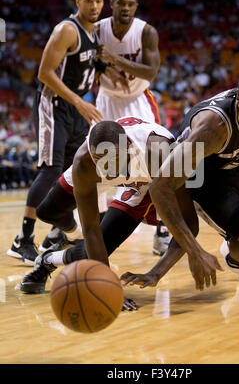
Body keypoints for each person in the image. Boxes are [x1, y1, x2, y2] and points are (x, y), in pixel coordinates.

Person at [120, 67, 239, 291]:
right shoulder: (212, 129)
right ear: (238, 99)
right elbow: (160, 187)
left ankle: (236, 255)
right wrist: (192, 254)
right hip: (203, 168)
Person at [7, 0, 128, 265]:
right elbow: (45, 73)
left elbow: (87, 63)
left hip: (76, 107)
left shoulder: (93, 32)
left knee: (75, 172)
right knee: (50, 170)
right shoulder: (67, 30)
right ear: (77, 1)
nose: (95, 6)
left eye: (99, 1)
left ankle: (57, 232)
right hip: (55, 104)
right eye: (89, 0)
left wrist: (109, 70)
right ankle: (22, 240)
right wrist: (79, 102)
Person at [19, 117, 183, 310]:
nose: (108, 169)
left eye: (111, 161)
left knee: (99, 246)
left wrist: (108, 288)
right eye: (102, 161)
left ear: (126, 148)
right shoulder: (86, 160)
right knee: (47, 212)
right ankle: (72, 236)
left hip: (141, 179)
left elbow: (186, 220)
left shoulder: (158, 150)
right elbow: (90, 228)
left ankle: (49, 260)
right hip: (105, 161)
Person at [94, 0, 170, 256]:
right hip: (105, 101)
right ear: (111, 3)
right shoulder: (96, 29)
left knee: (156, 166)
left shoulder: (146, 32)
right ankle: (102, 225)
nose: (125, 8)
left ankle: (162, 229)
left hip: (138, 101)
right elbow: (86, 61)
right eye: (121, 3)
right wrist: (102, 68)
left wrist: (112, 59)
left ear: (135, 7)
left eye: (131, 4)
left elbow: (150, 71)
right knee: (98, 165)